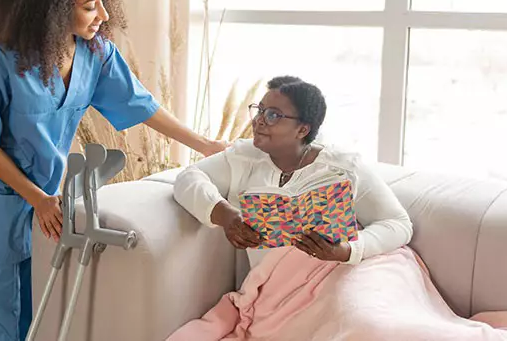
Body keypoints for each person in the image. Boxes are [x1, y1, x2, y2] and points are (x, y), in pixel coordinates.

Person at [0, 0, 225, 341]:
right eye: (90, 5)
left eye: (102, 1)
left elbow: (142, 105)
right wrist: (37, 198)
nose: (104, 15)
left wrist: (205, 144)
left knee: (36, 320)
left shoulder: (96, 53)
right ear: (52, 7)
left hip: (44, 213)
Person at [173, 76, 413, 269]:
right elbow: (188, 178)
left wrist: (348, 250)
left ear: (302, 129)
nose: (259, 121)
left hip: (346, 276)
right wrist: (226, 216)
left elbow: (398, 224)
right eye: (260, 110)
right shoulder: (243, 157)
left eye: (273, 115)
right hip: (275, 295)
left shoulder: (342, 167)